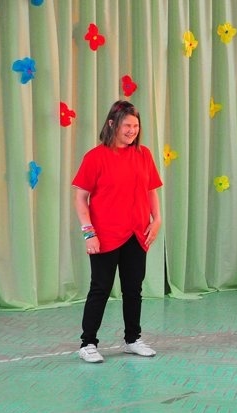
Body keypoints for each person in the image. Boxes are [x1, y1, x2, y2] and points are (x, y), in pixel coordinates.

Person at [72, 100, 163, 363]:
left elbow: (151, 190)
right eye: (127, 125)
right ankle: (88, 343)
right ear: (112, 124)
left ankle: (132, 339)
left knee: (133, 289)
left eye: (136, 125)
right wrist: (89, 233)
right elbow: (81, 198)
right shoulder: (95, 157)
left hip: (137, 233)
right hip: (104, 235)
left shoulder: (144, 154)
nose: (132, 130)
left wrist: (157, 219)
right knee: (100, 289)